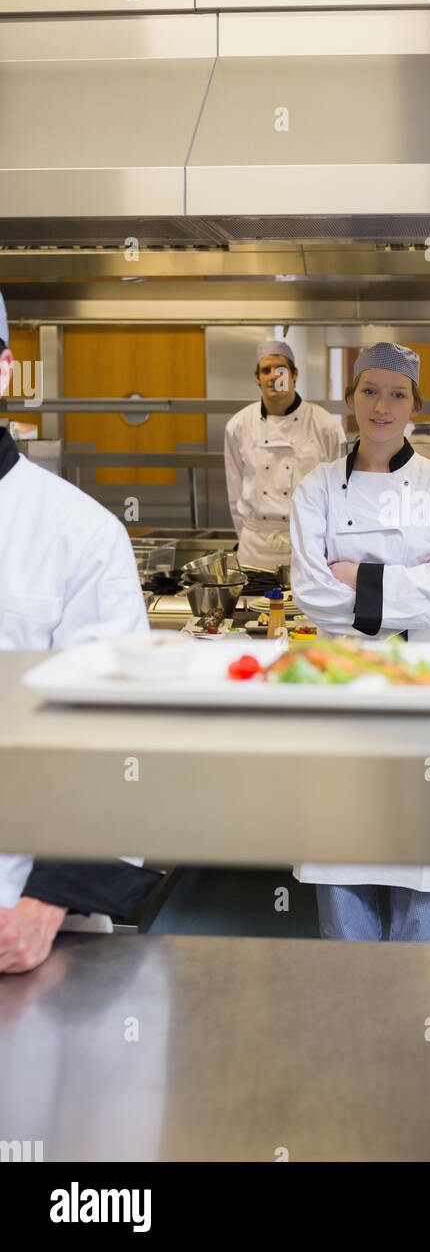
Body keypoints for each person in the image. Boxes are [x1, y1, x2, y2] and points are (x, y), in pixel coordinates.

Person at [290, 342, 430, 941]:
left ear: (414, 407)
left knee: (424, 836)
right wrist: (406, 580)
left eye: (397, 394)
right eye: (370, 391)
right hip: (340, 673)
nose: (382, 405)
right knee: (343, 832)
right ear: (350, 399)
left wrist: (360, 576)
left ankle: (418, 989)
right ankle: (353, 990)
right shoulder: (316, 487)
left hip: (424, 673)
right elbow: (310, 589)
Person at [0, 299, 161, 972]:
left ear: (5, 369)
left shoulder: (78, 533)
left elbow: (122, 735)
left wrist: (44, 905)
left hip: (21, 919)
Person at [224, 338, 345, 573]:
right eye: (266, 370)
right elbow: (234, 490)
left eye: (280, 369)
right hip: (255, 549)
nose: (273, 376)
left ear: (294, 374)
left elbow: (339, 491)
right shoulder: (238, 425)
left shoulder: (324, 425)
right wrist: (247, 532)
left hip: (308, 542)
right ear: (257, 377)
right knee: (251, 609)